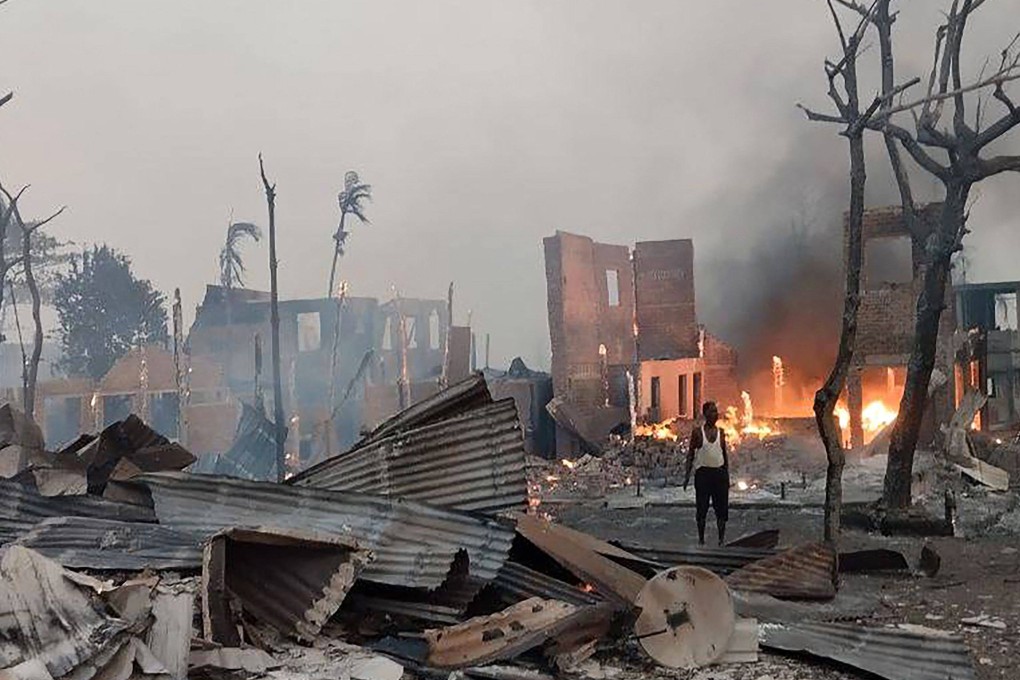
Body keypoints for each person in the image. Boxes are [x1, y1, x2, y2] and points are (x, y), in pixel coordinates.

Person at [683, 401, 729, 546]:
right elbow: (691, 454)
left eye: (716, 411)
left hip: (719, 474)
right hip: (703, 475)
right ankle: (701, 539)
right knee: (701, 508)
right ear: (705, 414)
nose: (715, 414)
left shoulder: (721, 432)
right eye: (712, 411)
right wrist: (687, 475)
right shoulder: (697, 432)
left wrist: (727, 474)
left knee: (721, 508)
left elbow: (724, 453)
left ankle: (721, 540)